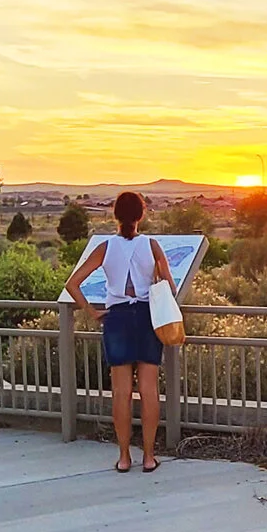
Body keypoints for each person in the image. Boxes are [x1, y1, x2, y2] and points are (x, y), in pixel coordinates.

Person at [66, 192, 174, 473]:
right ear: (142, 215)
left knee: (121, 392)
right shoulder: (152, 246)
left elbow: (72, 284)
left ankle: (124, 457)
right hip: (148, 318)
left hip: (117, 320)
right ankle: (149, 457)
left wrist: (92, 311)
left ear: (115, 215)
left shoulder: (104, 247)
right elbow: (171, 290)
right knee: (149, 391)